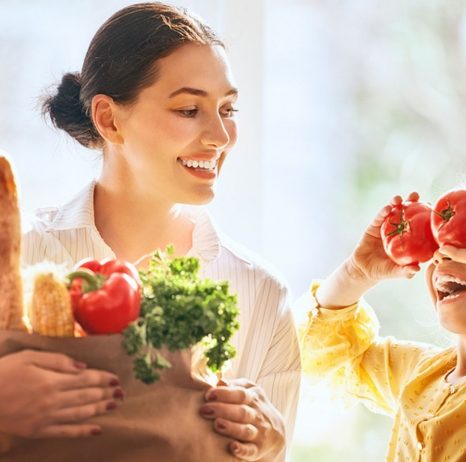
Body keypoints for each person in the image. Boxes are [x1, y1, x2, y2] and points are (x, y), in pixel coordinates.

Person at [17, 3, 300, 461]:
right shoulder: (22, 259)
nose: (221, 136)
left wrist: (268, 447)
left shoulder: (261, 294)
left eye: (228, 109)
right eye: (189, 109)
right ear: (109, 119)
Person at [300, 160, 466, 461]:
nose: (443, 255)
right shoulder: (421, 373)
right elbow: (320, 355)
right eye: (440, 236)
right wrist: (354, 274)